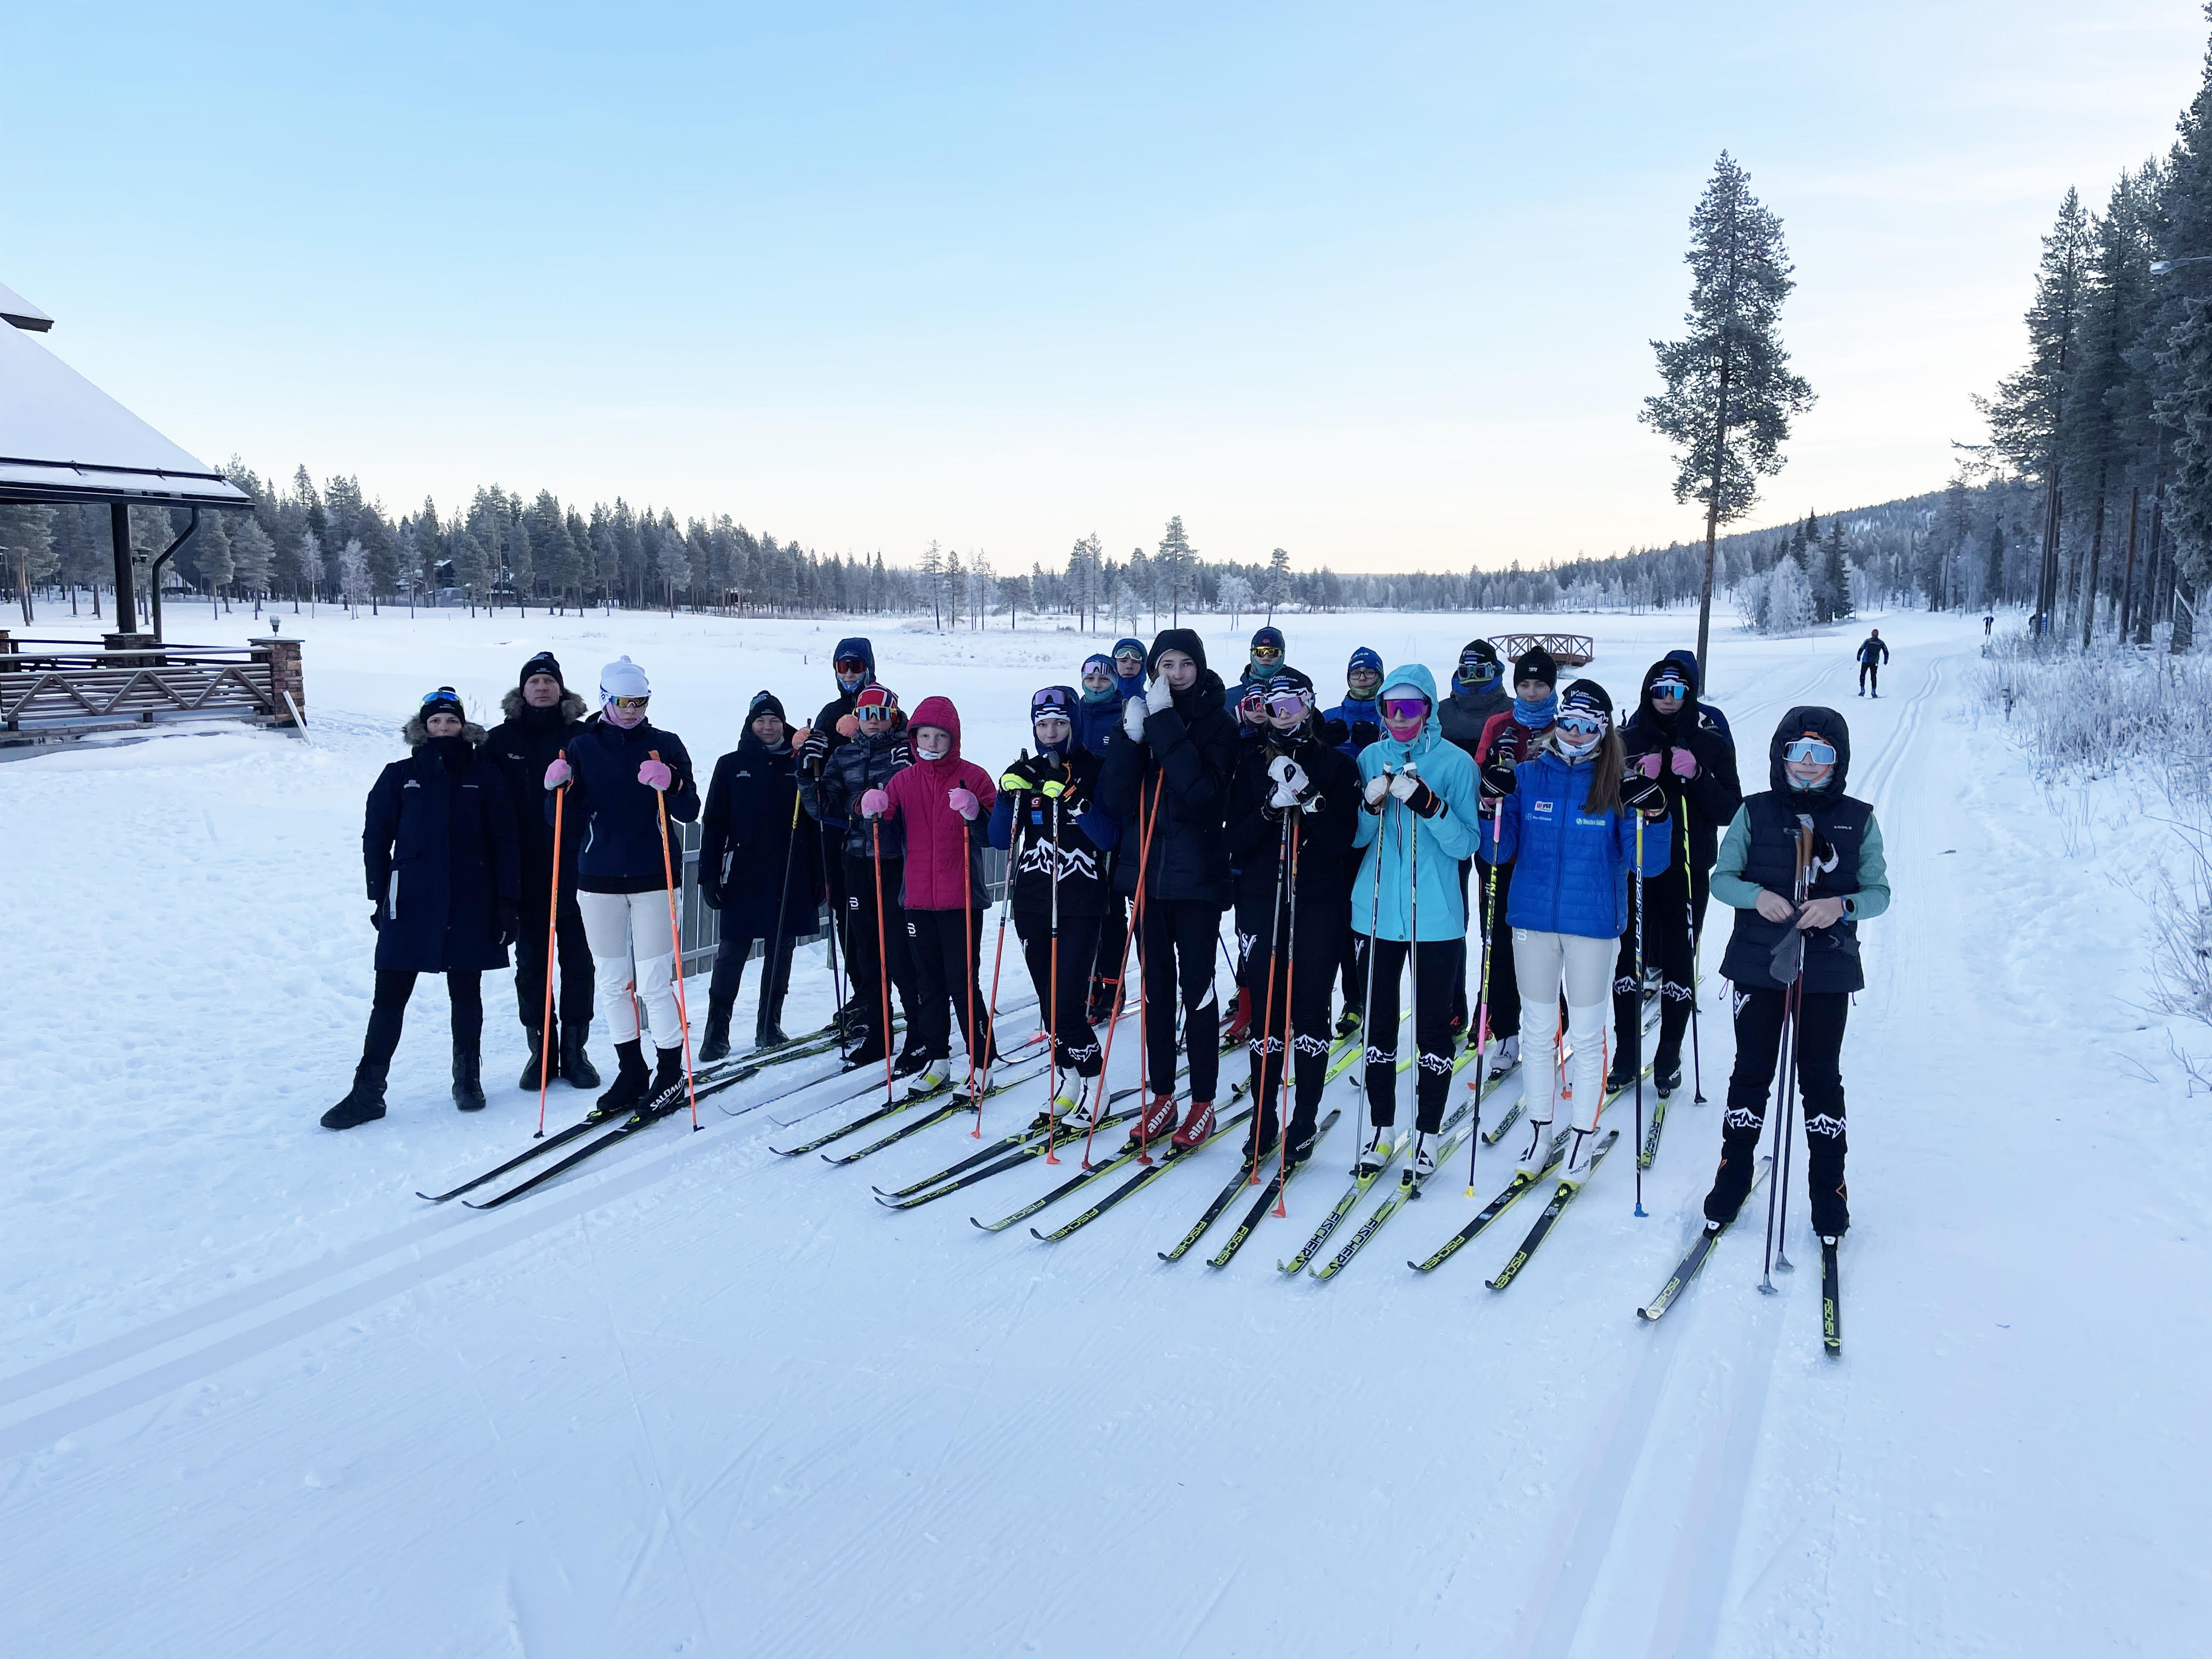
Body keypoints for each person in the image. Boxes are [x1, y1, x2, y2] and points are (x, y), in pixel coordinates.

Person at [1699, 709, 1889, 1242]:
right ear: (1781, 756)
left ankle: (1829, 1190)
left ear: (1839, 761)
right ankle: (1733, 1175)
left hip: (1827, 970)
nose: (1807, 766)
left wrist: (1843, 907)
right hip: (1759, 965)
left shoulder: (1859, 819)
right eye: (1797, 754)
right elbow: (1722, 880)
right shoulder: (1754, 813)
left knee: (1821, 1079)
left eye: (1821, 756)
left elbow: (1880, 893)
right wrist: (1757, 897)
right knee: (1752, 1072)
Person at [1489, 680, 1671, 1181]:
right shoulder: (1527, 776)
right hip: (1531, 923)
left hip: (1592, 927)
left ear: (1603, 730)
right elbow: (1498, 854)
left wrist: (1653, 814)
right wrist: (1492, 808)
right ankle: (1541, 1132)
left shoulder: (1615, 782)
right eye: (1567, 722)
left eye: (1587, 726)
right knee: (1538, 1031)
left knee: (1588, 1035)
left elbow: (1647, 866)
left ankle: (1583, 1138)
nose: (1574, 734)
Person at [323, 687, 522, 1130]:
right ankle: (367, 1092)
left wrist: (508, 902)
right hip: (410, 901)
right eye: (436, 722)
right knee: (390, 997)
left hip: (472, 900)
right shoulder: (399, 776)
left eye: (451, 722)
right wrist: (379, 894)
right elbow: (376, 836)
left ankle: (467, 1080)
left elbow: (507, 842)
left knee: (466, 994)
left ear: (463, 727)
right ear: (422, 727)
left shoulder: (484, 777)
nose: (444, 729)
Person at [541, 658, 702, 1121]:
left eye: (641, 702)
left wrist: (671, 783)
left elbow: (690, 810)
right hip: (598, 880)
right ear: (605, 699)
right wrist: (556, 790)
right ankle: (631, 1070)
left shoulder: (664, 745)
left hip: (655, 877)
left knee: (654, 981)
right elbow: (560, 823)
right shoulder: (581, 747)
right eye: (624, 702)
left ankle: (670, 1071)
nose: (633, 710)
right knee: (613, 982)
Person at [1098, 628, 1239, 1148]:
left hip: (1197, 881)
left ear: (1199, 667)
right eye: (1167, 664)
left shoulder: (1218, 724)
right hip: (1146, 879)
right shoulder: (1143, 714)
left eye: (1185, 664)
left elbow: (1202, 794)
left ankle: (1203, 1099)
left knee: (1196, 991)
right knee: (1155, 991)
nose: (1175, 674)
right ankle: (1162, 1094)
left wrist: (1162, 725)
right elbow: (1114, 799)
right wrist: (1130, 739)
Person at [1348, 663, 1482, 1180]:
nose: (1400, 718)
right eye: (1391, 708)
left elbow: (1466, 843)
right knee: (1378, 1024)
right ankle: (1381, 1128)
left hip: (1436, 917)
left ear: (1429, 709)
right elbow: (1357, 840)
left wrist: (1429, 803)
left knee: (1432, 1028)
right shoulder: (1369, 758)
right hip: (1377, 911)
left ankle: (1426, 1130)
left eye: (1412, 707)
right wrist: (1369, 804)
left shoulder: (1455, 764)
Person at [1226, 669, 1359, 1164]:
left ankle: (1304, 1115)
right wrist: (1269, 808)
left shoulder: (1338, 766)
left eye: (1292, 703)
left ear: (1309, 704)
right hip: (1262, 900)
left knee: (1308, 1012)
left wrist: (1310, 799)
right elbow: (1234, 842)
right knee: (1265, 1012)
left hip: (1318, 901)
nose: (1282, 714)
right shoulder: (1248, 763)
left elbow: (1341, 843)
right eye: (1273, 704)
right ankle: (1263, 1117)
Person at [1611, 658, 1741, 1096]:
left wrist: (1698, 775)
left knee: (1680, 957)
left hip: (1688, 866)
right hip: (1635, 864)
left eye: (1678, 691)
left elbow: (1730, 810)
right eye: (1659, 690)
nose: (1668, 699)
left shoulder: (1711, 742)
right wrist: (1630, 777)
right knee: (1629, 956)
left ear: (1690, 693)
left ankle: (1669, 1054)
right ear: (1648, 692)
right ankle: (1626, 1054)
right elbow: (1601, 801)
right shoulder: (1625, 740)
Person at [990, 686, 1120, 1122]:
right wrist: (1007, 796)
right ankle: (1070, 1080)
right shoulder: (1024, 769)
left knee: (1068, 1005)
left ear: (1075, 724)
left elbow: (1108, 837)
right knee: (1050, 1006)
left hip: (1081, 900)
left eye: (1059, 724)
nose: (1050, 733)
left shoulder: (1096, 770)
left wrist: (1072, 799)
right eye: (1042, 725)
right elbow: (996, 838)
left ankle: (1095, 1080)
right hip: (1032, 899)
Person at [864, 695, 998, 1096]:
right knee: (929, 985)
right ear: (914, 736)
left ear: (953, 738)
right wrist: (874, 811)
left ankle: (982, 1062)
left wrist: (976, 812)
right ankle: (938, 1058)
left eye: (941, 736)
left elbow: (994, 837)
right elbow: (885, 842)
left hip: (962, 900)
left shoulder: (973, 777)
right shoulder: (903, 781)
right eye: (926, 735)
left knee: (963, 983)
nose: (934, 743)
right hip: (918, 899)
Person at [483, 651, 597, 1091]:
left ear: (562, 689)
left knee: (579, 964)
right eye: (535, 681)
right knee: (531, 966)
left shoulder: (583, 737)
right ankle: (541, 1051)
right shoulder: (499, 741)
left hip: (579, 869)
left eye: (550, 681)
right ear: (523, 690)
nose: (543, 687)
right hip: (524, 874)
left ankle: (575, 1050)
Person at [698, 690, 824, 1060]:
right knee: (732, 951)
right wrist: (708, 874)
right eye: (760, 721)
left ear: (783, 724)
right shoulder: (731, 764)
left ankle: (769, 1026)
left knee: (781, 949)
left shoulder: (799, 763)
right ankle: (716, 1032)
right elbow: (715, 823)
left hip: (792, 872)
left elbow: (816, 822)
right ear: (750, 724)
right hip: (744, 872)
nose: (767, 727)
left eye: (773, 720)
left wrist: (820, 875)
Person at [802, 684, 919, 1071]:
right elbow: (822, 805)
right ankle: (879, 1028)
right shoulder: (845, 754)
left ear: (894, 715)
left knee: (899, 948)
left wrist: (907, 772)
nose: (873, 722)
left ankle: (919, 1030)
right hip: (856, 857)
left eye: (880, 714)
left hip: (897, 858)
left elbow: (922, 800)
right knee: (865, 947)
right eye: (866, 714)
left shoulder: (907, 749)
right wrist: (808, 774)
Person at [1468, 647, 1560, 1078]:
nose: (1533, 691)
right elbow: (1480, 781)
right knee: (1498, 939)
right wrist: (1495, 765)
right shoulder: (1499, 723)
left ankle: (1551, 1021)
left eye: (1541, 684)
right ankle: (1505, 1030)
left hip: (1547, 848)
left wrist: (1549, 761)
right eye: (1525, 684)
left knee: (1546, 941)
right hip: (1501, 846)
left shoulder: (1566, 727)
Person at [799, 637, 878, 1031]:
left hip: (874, 829)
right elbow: (819, 777)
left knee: (877, 916)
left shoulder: (884, 704)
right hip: (835, 828)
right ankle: (861, 993)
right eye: (842, 668)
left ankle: (879, 994)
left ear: (869, 666)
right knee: (846, 914)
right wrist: (808, 753)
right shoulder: (830, 712)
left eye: (856, 666)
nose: (849, 674)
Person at [1440, 637, 1513, 1034]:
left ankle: (1491, 1006)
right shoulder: (1441, 712)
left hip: (1493, 825)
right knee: (1451, 917)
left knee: (1493, 920)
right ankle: (1453, 1004)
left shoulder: (1509, 712)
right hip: (1448, 824)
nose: (1471, 680)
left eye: (1481, 672)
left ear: (1496, 673)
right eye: (1466, 671)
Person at [1325, 646, 1387, 1030]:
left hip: (1381, 830)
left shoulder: (1391, 718)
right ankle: (1352, 999)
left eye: (1369, 672)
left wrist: (1370, 745)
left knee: (1377, 918)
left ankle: (1377, 995)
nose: (1362, 678)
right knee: (1343, 918)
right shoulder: (1332, 718)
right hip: (1339, 830)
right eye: (1357, 673)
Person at [1855, 629, 1890, 697]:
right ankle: (1873, 692)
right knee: (1873, 676)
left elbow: (1862, 648)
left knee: (1863, 675)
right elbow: (1886, 652)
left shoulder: (1868, 641)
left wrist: (1859, 655)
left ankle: (1862, 690)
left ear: (1872, 634)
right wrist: (1886, 659)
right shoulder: (1881, 643)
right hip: (1875, 661)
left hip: (1866, 660)